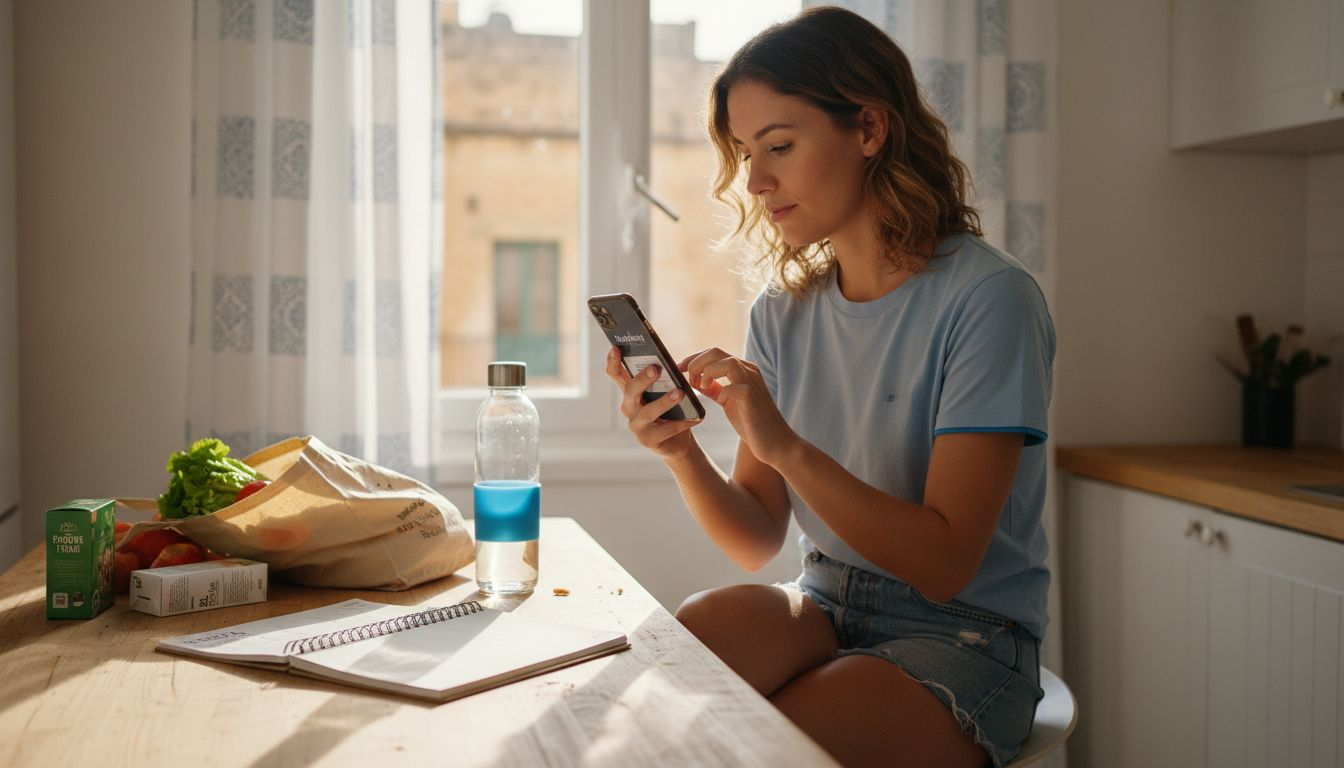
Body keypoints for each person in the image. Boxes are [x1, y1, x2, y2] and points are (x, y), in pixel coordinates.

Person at [604, 6, 1054, 768]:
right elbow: (756, 537)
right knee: (685, 645)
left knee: (753, 749)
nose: (755, 181)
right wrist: (681, 451)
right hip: (825, 600)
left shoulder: (989, 299)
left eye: (779, 146)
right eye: (746, 153)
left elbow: (945, 563)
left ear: (869, 129)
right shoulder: (782, 313)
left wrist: (783, 445)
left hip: (965, 633)